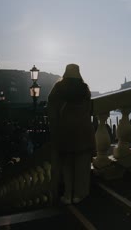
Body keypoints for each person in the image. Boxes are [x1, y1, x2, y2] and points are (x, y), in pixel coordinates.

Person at [47, 64, 95, 205]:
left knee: (66, 164)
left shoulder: (58, 88)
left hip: (65, 130)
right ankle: (79, 195)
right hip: (83, 131)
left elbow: (52, 111)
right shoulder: (84, 88)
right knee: (82, 164)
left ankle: (67, 195)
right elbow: (89, 109)